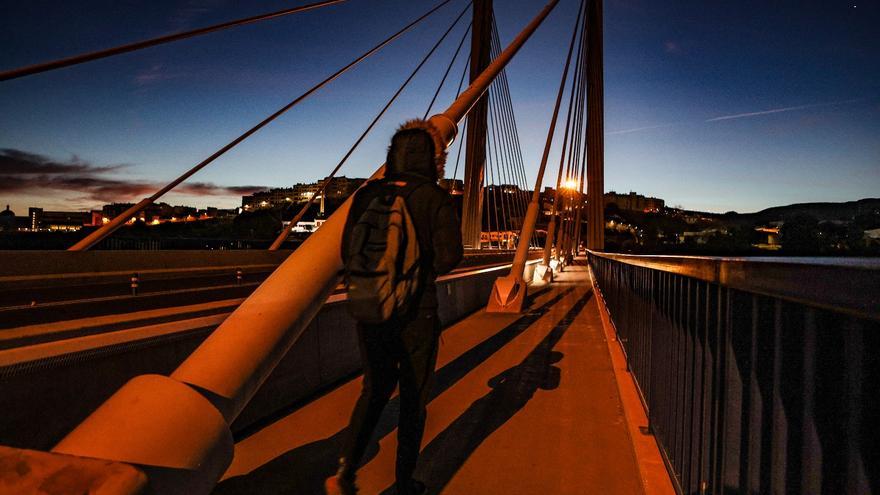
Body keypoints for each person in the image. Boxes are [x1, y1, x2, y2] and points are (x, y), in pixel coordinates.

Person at [327, 119, 463, 495]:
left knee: (373, 389)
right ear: (435, 158)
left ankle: (344, 472)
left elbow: (346, 252)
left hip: (372, 307)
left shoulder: (367, 195)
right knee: (413, 399)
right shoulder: (434, 198)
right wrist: (416, 274)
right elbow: (451, 256)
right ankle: (404, 484)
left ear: (392, 155)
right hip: (418, 311)